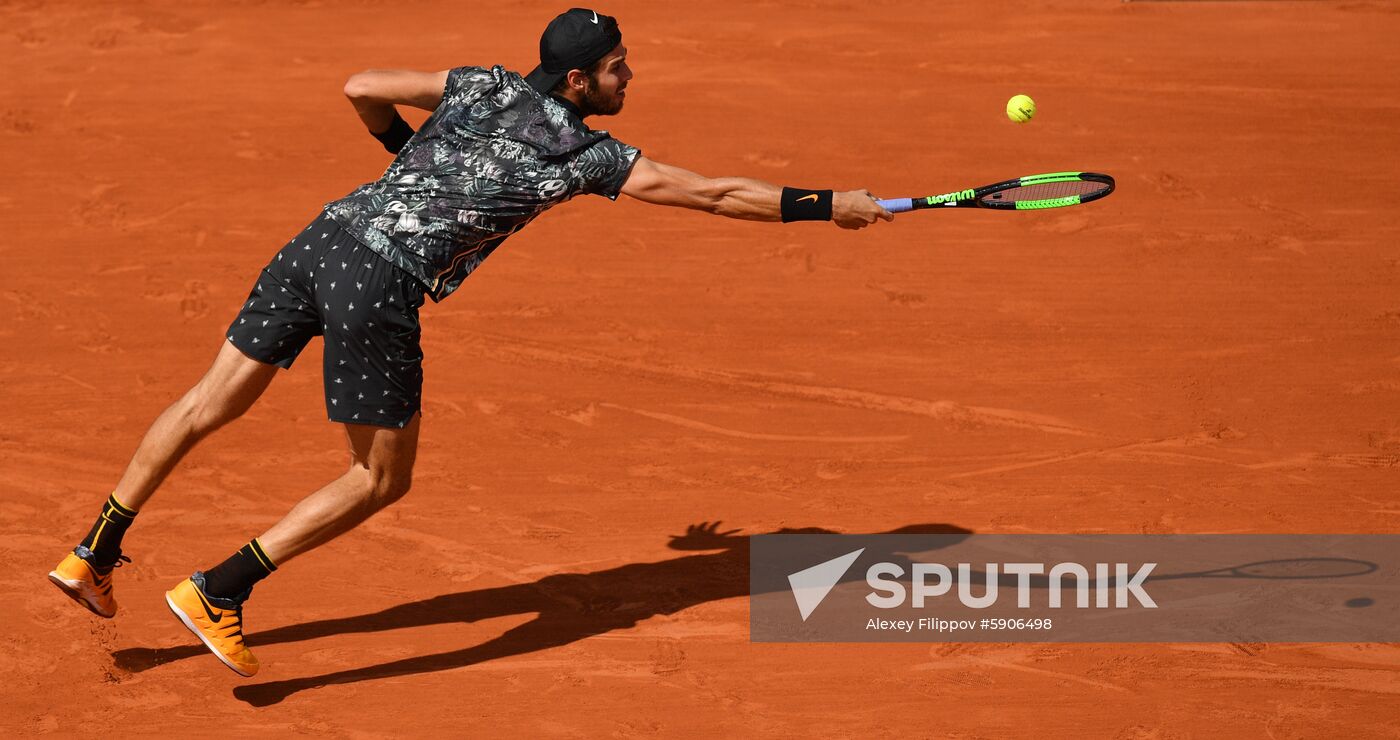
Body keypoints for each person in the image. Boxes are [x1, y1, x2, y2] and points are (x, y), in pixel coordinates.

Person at [47, 7, 893, 678]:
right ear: (578, 80)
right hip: (379, 285)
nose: (628, 75)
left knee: (208, 402)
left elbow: (361, 84)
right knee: (379, 478)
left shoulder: (479, 83)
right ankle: (219, 590)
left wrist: (402, 156)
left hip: (322, 237)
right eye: (616, 67)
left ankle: (94, 552)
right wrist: (829, 205)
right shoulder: (587, 154)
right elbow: (709, 193)